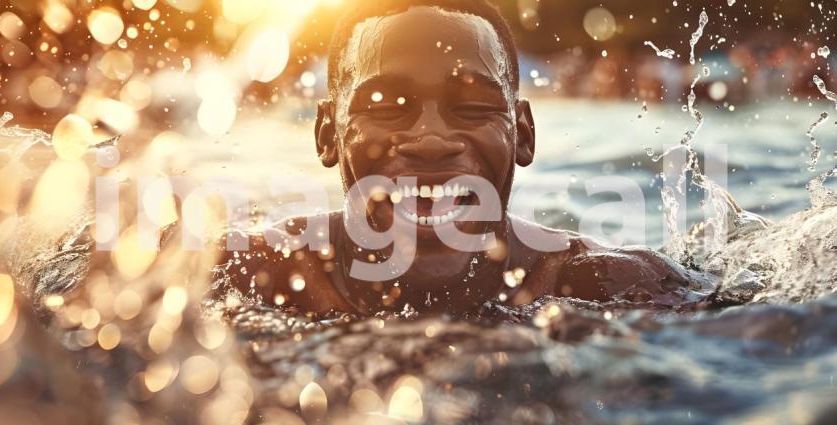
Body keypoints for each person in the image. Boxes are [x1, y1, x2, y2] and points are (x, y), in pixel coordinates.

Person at [212, 0, 715, 315]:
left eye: (473, 106)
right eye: (386, 107)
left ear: (523, 134)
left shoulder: (607, 284)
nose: (431, 139)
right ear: (327, 134)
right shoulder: (248, 271)